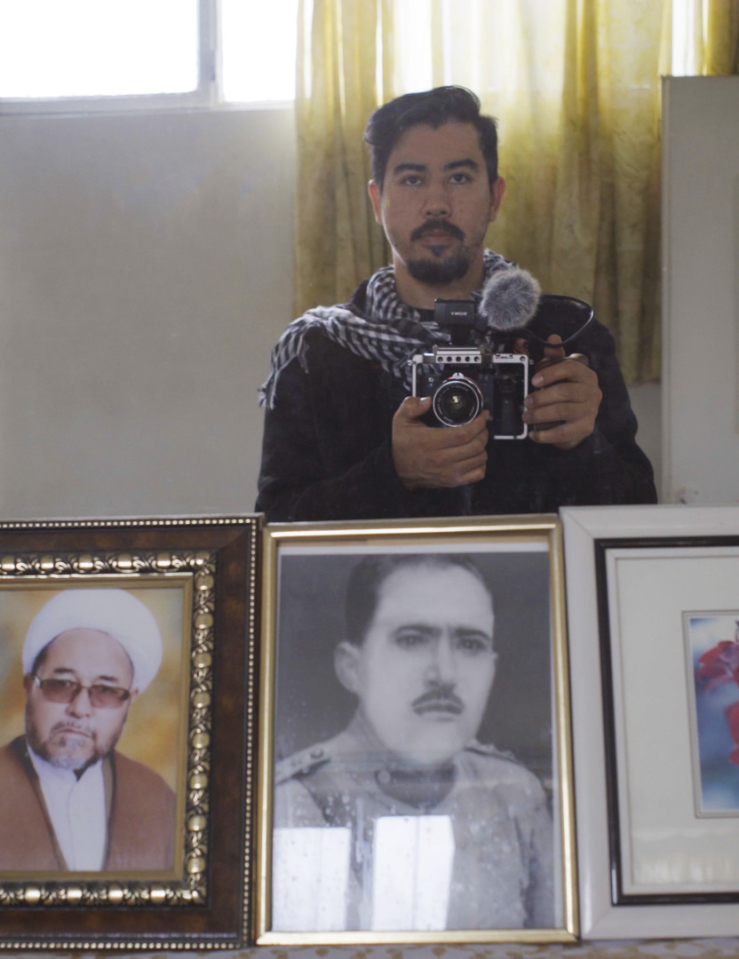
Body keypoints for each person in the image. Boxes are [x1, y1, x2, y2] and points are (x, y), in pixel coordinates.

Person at [256, 86, 657, 521]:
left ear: (495, 198)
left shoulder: (563, 337)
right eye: (412, 179)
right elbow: (275, 529)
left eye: (459, 178)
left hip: (539, 588)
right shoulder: (321, 350)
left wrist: (584, 443)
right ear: (377, 202)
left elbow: (639, 517)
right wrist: (392, 474)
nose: (437, 204)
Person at [273, 554, 554, 932]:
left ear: (492, 667)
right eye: (411, 640)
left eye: (470, 645)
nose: (446, 674)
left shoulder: (515, 795)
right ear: (352, 668)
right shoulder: (293, 799)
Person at [0, 588, 176, 873]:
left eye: (105, 690)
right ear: (29, 686)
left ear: (129, 701)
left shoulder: (158, 799)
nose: (80, 709)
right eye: (61, 683)